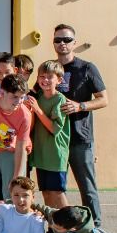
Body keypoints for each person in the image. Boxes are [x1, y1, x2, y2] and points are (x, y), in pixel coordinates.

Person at [50, 24, 107, 223]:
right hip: (55, 139)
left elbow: (103, 99)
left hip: (80, 138)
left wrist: (80, 106)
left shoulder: (87, 68)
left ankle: (95, 228)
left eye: (66, 40)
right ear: (53, 43)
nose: (62, 44)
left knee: (87, 188)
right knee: (55, 188)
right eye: (58, 40)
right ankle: (60, 227)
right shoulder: (50, 68)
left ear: (75, 43)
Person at [27, 60, 73, 210]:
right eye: (42, 76)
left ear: (59, 80)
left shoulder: (59, 99)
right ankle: (54, 230)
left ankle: (70, 227)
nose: (45, 80)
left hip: (55, 154)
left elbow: (54, 129)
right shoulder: (38, 96)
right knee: (46, 193)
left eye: (49, 77)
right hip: (41, 154)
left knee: (57, 193)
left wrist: (38, 110)